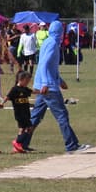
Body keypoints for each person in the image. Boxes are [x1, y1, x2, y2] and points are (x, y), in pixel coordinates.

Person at [28, 20, 90, 153]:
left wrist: (60, 80)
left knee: (35, 117)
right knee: (62, 115)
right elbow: (44, 64)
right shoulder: (52, 44)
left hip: (43, 85)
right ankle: (72, 145)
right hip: (48, 87)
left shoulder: (48, 42)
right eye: (61, 33)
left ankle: (21, 142)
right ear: (58, 33)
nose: (62, 35)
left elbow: (50, 67)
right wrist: (46, 83)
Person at [2, 70, 36, 154]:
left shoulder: (25, 89)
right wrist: (1, 103)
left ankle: (17, 148)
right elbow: (7, 97)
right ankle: (17, 142)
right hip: (20, 113)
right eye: (27, 81)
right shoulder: (15, 89)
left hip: (26, 112)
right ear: (21, 79)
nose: (28, 83)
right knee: (30, 128)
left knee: (22, 129)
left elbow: (33, 92)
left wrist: (43, 92)